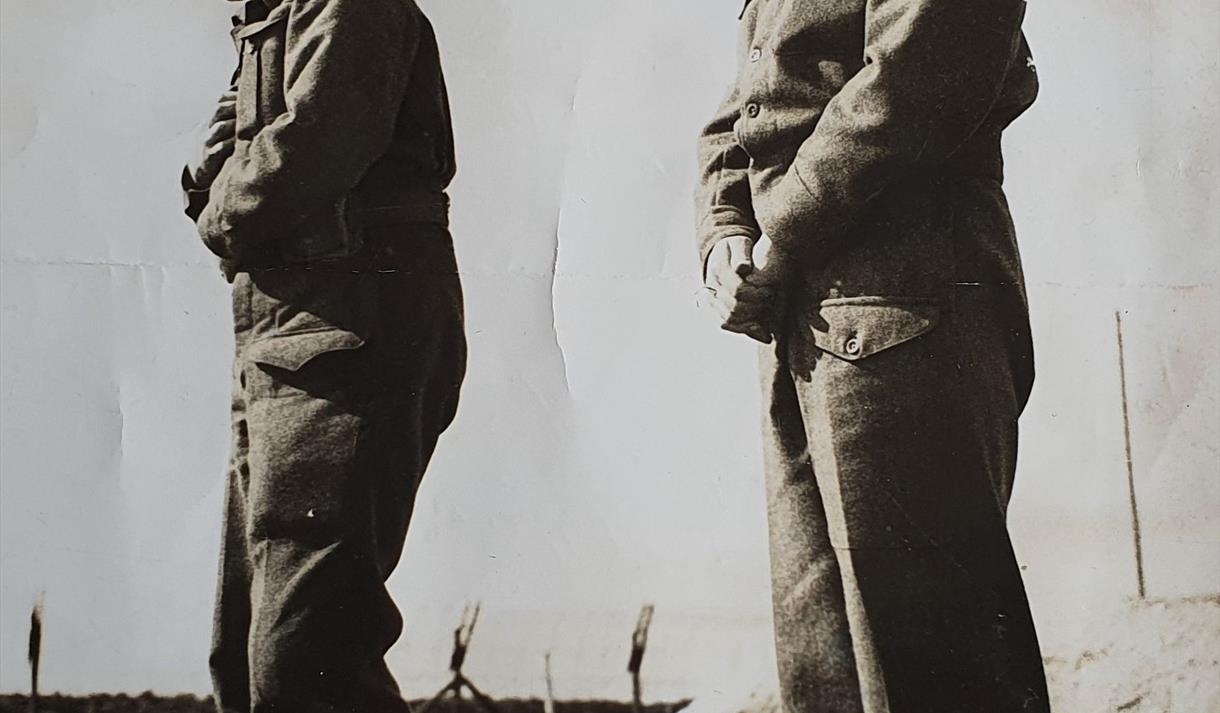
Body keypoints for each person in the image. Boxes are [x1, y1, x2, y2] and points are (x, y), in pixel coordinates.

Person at [696, 0, 1049, 710]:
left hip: (905, 286)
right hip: (802, 302)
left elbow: (916, 72)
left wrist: (781, 230)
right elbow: (751, 100)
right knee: (827, 670)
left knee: (938, 668)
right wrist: (725, 226)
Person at [182, 1, 465, 710]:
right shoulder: (273, 17)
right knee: (248, 654)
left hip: (347, 327)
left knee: (305, 658)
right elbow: (217, 159)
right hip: (284, 329)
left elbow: (320, 137)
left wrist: (222, 216)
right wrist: (214, 195)